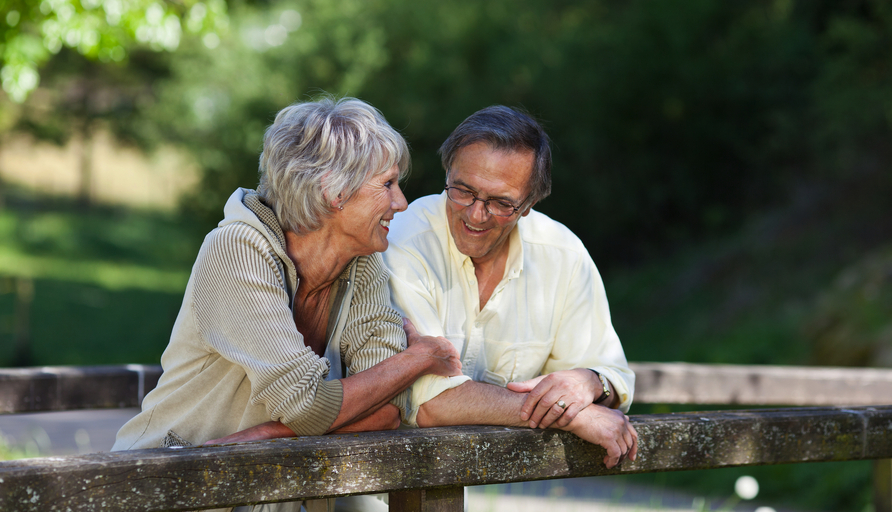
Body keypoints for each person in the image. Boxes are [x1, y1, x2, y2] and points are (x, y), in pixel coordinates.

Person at [113, 97, 461, 511]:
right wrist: (420, 358)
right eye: (387, 184)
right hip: (165, 488)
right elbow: (309, 404)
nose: (401, 202)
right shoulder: (237, 248)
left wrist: (270, 433)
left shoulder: (362, 262)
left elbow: (387, 410)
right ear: (335, 190)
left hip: (260, 489)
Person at [383, 105, 638, 468]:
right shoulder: (402, 242)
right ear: (447, 173)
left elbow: (612, 374)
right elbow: (428, 402)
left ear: (529, 204)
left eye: (501, 203)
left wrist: (590, 382)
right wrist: (572, 415)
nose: (475, 214)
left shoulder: (562, 254)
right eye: (463, 190)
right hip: (370, 479)